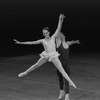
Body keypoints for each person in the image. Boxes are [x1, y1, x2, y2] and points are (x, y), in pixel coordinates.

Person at [13, 14, 76, 88]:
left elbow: (58, 28)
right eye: (44, 33)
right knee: (36, 65)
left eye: (46, 33)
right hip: (46, 55)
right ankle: (25, 72)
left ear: (49, 32)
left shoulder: (53, 37)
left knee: (61, 69)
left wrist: (60, 20)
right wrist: (20, 42)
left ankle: (70, 82)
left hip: (53, 55)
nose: (45, 34)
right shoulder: (42, 40)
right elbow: (31, 42)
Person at [56, 33, 80, 100]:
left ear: (64, 36)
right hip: (60, 66)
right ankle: (61, 92)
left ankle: (67, 96)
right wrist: (60, 23)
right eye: (59, 34)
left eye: (61, 34)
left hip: (66, 65)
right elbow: (57, 33)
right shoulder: (58, 43)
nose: (60, 35)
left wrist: (76, 41)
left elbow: (72, 42)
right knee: (60, 79)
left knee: (67, 80)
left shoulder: (67, 43)